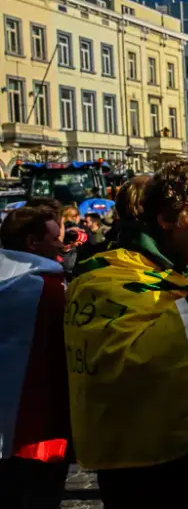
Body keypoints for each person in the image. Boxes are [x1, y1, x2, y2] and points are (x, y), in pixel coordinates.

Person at [66, 159, 188, 509]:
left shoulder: (182, 280)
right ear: (166, 218)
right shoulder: (104, 280)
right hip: (145, 470)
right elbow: (137, 358)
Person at [0, 206, 71, 509]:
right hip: (36, 431)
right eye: (55, 238)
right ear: (32, 243)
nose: (61, 245)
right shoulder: (50, 290)